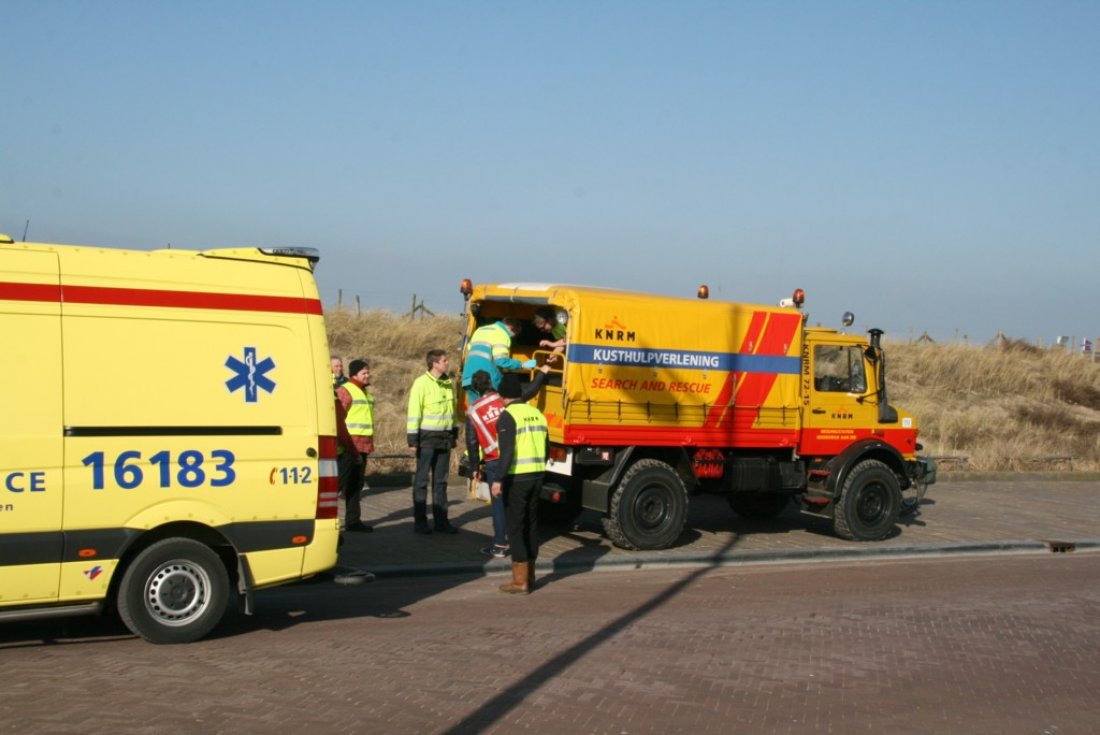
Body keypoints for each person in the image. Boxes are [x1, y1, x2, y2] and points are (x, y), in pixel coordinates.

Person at [466, 365, 551, 558]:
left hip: (495, 461)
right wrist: (543, 371)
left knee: (498, 505)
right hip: (515, 458)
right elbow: (532, 388)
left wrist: (474, 468)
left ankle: (500, 544)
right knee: (515, 505)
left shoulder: (474, 411)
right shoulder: (506, 398)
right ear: (490, 383)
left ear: (475, 389)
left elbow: (472, 442)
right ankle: (522, 544)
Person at [492, 374, 549, 594]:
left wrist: (498, 479)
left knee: (515, 527)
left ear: (502, 396)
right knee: (531, 524)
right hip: (537, 476)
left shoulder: (507, 417)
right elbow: (545, 446)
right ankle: (531, 574)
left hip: (518, 479)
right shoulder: (536, 413)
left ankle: (520, 581)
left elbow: (506, 453)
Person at [407, 349, 459, 535]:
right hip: (427, 439)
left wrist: (453, 435)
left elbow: (451, 412)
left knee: (441, 482)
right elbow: (414, 412)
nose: (447, 363)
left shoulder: (447, 383)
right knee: (421, 482)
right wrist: (413, 441)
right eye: (445, 360)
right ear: (434, 363)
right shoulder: (421, 383)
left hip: (444, 439)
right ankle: (420, 522)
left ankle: (441, 522)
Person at [335, 359, 374, 532]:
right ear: (354, 374)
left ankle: (353, 521)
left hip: (363, 445)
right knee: (337, 484)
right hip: (348, 447)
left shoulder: (366, 394)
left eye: (368, 372)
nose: (367, 375)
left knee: (355, 484)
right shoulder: (345, 391)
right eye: (364, 373)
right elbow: (337, 418)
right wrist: (346, 445)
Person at [461, 317, 536, 402]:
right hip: (486, 381)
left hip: (468, 377)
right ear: (510, 328)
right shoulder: (502, 334)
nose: (511, 337)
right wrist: (522, 364)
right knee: (490, 412)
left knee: (476, 411)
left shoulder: (480, 330)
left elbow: (469, 351)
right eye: (513, 335)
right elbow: (501, 360)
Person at [334, 394, 364, 535]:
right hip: (341, 451)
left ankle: (352, 521)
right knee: (333, 489)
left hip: (341, 449)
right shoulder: (335, 399)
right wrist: (353, 452)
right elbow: (341, 429)